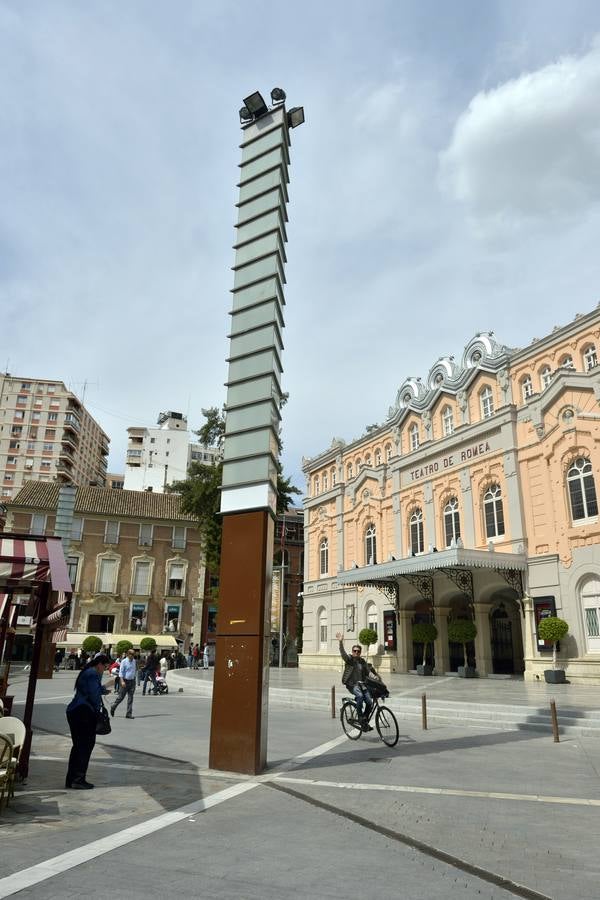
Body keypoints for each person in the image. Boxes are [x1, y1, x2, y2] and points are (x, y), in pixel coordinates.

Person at [65, 652, 110, 789]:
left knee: (78, 746)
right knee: (85, 746)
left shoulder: (88, 672)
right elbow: (94, 695)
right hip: (83, 712)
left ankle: (71, 779)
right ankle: (78, 779)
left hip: (76, 710)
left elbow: (93, 690)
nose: (105, 670)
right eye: (105, 667)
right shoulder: (92, 673)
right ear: (100, 664)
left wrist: (104, 689)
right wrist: (107, 685)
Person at [335, 632, 376, 730]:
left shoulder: (362, 661)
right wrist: (340, 642)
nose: (356, 653)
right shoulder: (349, 659)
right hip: (351, 685)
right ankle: (360, 717)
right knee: (360, 696)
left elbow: (368, 671)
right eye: (355, 651)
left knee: (370, 702)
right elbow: (343, 653)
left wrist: (375, 677)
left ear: (360, 653)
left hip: (361, 685)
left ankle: (364, 719)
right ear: (352, 651)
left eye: (358, 651)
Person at [110, 648, 137, 719]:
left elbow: (134, 670)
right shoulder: (124, 662)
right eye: (131, 654)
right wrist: (122, 681)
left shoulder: (134, 661)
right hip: (124, 681)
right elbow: (121, 672)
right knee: (121, 697)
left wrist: (134, 680)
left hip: (132, 682)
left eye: (134, 654)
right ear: (128, 654)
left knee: (130, 698)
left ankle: (128, 714)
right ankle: (113, 706)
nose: (133, 655)